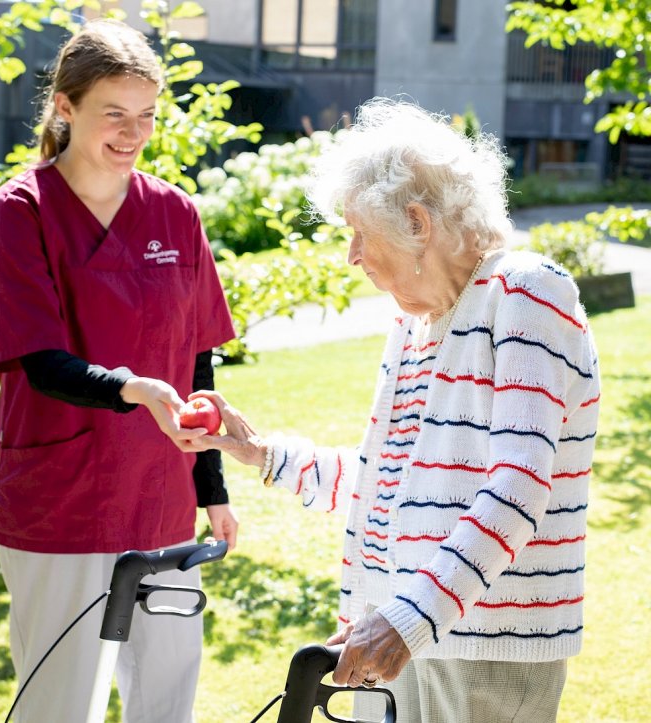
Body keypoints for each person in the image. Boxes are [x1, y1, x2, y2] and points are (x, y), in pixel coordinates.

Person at [192, 98, 600, 723]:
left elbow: (518, 486)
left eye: (360, 231)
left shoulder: (525, 291)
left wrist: (409, 620)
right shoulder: (415, 325)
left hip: (484, 646)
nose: (352, 253)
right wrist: (265, 455)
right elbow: (392, 489)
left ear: (416, 222)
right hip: (407, 631)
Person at [0, 18, 237, 723]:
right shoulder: (20, 213)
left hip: (159, 498)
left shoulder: (175, 214)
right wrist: (136, 389)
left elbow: (195, 358)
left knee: (166, 703)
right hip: (60, 504)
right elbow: (40, 362)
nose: (134, 132)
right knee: (60, 707)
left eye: (147, 115)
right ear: (64, 106)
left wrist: (210, 485)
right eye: (114, 114)